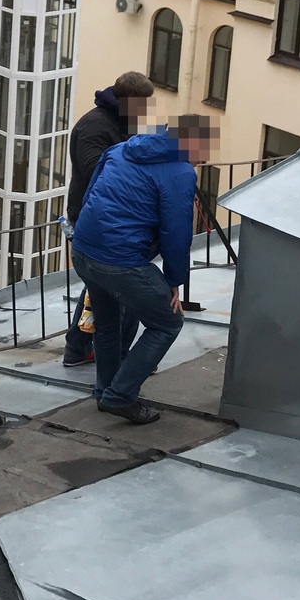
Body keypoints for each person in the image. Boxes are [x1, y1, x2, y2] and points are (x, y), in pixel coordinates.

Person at [70, 114, 217, 424]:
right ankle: (120, 396)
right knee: (168, 322)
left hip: (84, 249)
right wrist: (174, 280)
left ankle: (106, 391)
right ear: (191, 144)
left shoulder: (122, 149)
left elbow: (90, 195)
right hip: (120, 260)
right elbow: (176, 233)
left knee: (108, 323)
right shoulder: (180, 172)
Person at [61, 72, 156, 367]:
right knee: (117, 287)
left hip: (108, 218)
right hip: (93, 218)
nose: (146, 112)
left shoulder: (122, 122)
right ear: (128, 101)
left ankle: (79, 347)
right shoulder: (94, 127)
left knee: (100, 286)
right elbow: (97, 173)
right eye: (143, 105)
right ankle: (116, 359)